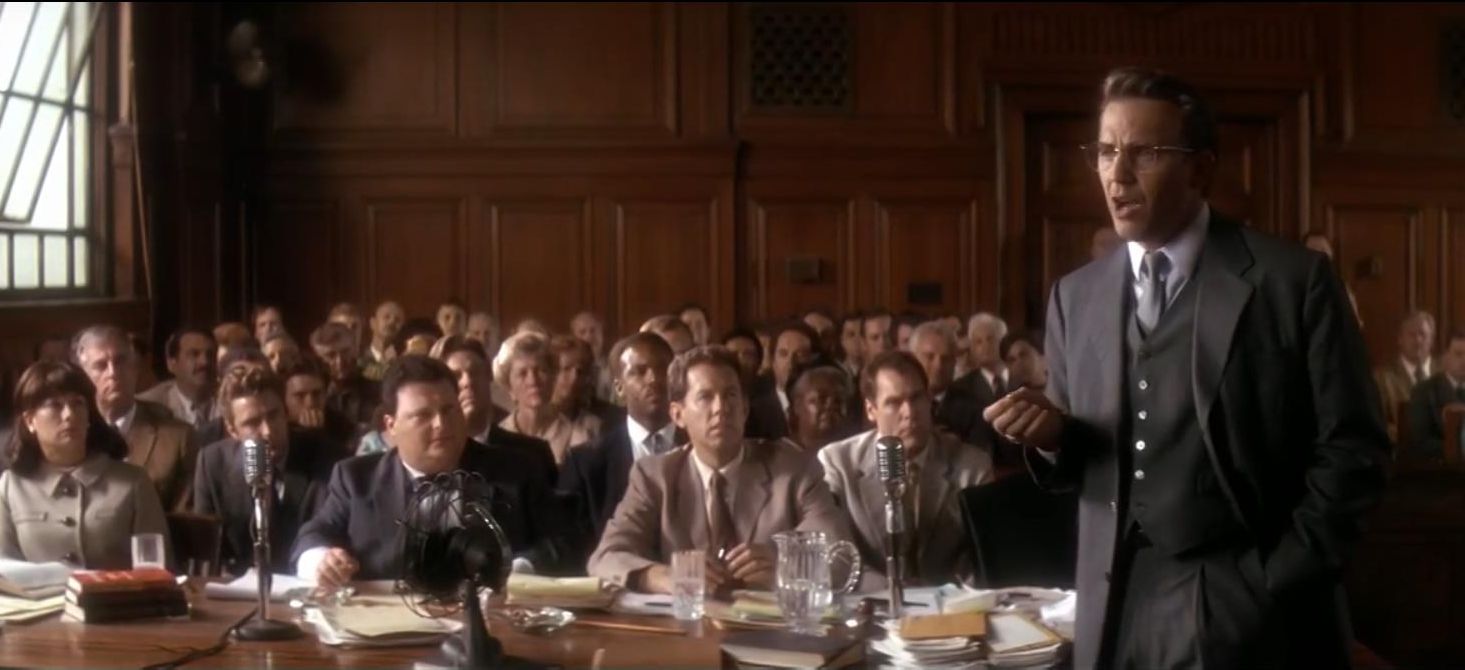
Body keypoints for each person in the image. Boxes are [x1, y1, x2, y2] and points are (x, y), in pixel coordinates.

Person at [984, 67, 1389, 668]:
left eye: (1144, 153)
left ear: (1200, 170)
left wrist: (1278, 577)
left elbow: (1355, 449)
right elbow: (1083, 461)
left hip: (1248, 603)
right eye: (1105, 152)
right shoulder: (1075, 296)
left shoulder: (1292, 282)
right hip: (1114, 605)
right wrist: (1051, 439)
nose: (1117, 174)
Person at [588, 346, 851, 593]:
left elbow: (841, 557)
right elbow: (605, 558)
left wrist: (787, 568)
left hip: (768, 624)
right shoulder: (654, 477)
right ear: (678, 415)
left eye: (730, 396)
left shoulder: (794, 468)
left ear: (745, 409)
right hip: (685, 623)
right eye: (705, 397)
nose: (721, 409)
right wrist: (664, 576)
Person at [292, 355, 571, 584]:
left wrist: (519, 571)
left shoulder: (516, 470)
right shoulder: (356, 479)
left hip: (493, 622)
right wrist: (321, 560)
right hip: (390, 627)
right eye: (423, 415)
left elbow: (564, 542)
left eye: (449, 410)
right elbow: (311, 537)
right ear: (391, 425)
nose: (441, 424)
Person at [820, 351, 993, 589]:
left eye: (916, 398)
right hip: (872, 599)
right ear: (871, 409)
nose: (909, 413)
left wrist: (947, 595)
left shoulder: (972, 466)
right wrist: (891, 589)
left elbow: (984, 557)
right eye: (893, 403)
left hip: (949, 603)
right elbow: (835, 553)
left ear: (930, 399)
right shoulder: (838, 462)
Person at [0, 361, 169, 569]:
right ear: (30, 421)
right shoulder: (11, 486)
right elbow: (4, 569)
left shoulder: (133, 482)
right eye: (55, 405)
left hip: (118, 591)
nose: (69, 414)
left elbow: (158, 569)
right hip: (36, 592)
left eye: (77, 403)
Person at [193, 366, 336, 576]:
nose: (268, 431)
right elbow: (205, 548)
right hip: (240, 587)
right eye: (252, 423)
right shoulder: (212, 463)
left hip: (308, 581)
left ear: (285, 412)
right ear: (232, 429)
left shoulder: (327, 458)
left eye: (273, 415)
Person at [558, 333, 678, 549]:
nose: (653, 379)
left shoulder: (705, 449)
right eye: (639, 371)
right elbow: (569, 543)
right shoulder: (586, 463)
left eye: (663, 369)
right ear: (619, 388)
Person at [73, 325, 197, 512]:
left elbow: (185, 518)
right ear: (82, 376)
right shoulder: (72, 434)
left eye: (120, 361)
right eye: (100, 366)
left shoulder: (178, 438)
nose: (113, 373)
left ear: (135, 367)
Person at [437, 337, 556, 487]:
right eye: (456, 376)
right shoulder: (432, 458)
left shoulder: (533, 454)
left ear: (489, 376)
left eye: (475, 372)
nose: (467, 382)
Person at [495, 332, 597, 465]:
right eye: (522, 373)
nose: (532, 381)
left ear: (553, 378)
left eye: (540, 370)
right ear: (509, 387)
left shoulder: (578, 437)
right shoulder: (496, 439)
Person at [909, 321, 984, 446]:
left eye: (946, 358)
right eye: (929, 357)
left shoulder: (975, 410)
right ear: (913, 359)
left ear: (955, 362)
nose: (938, 366)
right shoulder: (899, 405)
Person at [746, 321, 821, 441]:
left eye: (800, 355)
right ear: (773, 361)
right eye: (783, 354)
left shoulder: (826, 409)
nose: (790, 362)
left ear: (814, 361)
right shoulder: (753, 413)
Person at [278, 357, 358, 460]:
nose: (310, 403)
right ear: (284, 398)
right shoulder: (275, 431)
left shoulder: (344, 427)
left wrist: (319, 437)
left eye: (316, 394)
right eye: (300, 396)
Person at [137, 327, 217, 431]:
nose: (205, 362)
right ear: (171, 364)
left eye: (210, 355)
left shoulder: (229, 401)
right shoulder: (148, 406)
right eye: (194, 354)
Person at [1375, 310, 1437, 441]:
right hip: (1400, 450)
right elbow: (1377, 423)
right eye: (1412, 334)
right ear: (1400, 339)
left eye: (1423, 334)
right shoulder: (1383, 378)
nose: (1418, 340)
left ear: (1431, 340)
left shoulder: (1445, 373)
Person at [311, 323, 381, 437]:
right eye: (331, 356)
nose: (340, 361)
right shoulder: (312, 396)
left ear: (355, 350)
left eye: (345, 352)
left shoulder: (378, 392)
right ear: (318, 359)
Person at [1406, 330, 1465, 460]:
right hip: (1440, 467)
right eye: (1458, 354)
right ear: (1445, 357)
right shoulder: (1424, 391)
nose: (1464, 361)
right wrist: (1460, 449)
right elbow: (1420, 441)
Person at [550, 335, 621, 429]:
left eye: (581, 371)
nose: (574, 377)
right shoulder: (538, 415)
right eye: (566, 369)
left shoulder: (609, 416)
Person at [784, 361, 851, 453]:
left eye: (838, 400)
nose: (830, 406)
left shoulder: (856, 454)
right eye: (821, 399)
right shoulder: (773, 456)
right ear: (797, 405)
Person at [570, 311, 612, 403]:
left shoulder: (614, 366)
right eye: (582, 332)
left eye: (593, 331)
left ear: (602, 334)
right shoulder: (568, 369)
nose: (589, 337)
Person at [363, 300, 405, 381]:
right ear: (373, 323)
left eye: (397, 320)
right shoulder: (359, 358)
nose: (392, 322)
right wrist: (386, 363)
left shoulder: (405, 360)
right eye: (386, 317)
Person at [838, 311, 865, 380]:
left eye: (862, 334)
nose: (857, 340)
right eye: (851, 335)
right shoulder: (836, 373)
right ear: (842, 340)